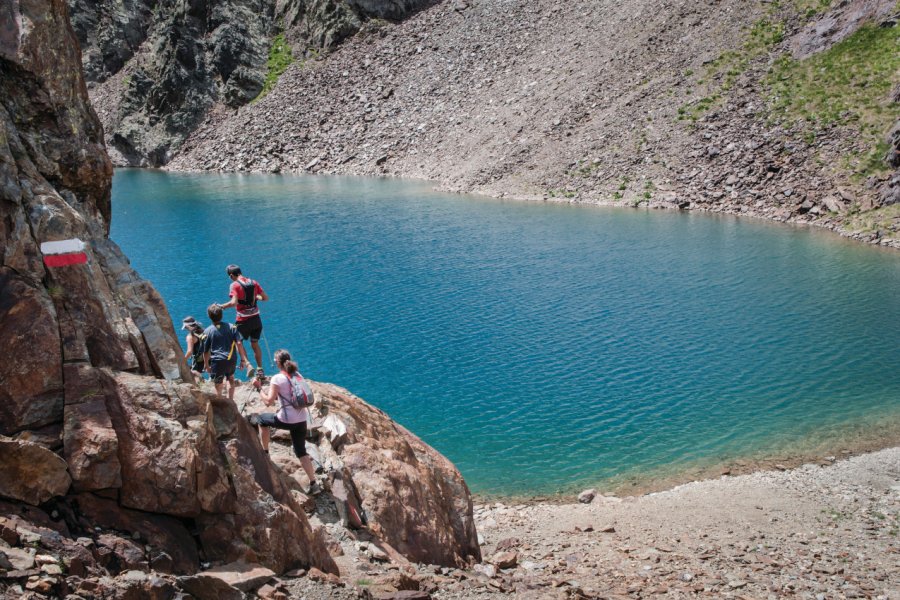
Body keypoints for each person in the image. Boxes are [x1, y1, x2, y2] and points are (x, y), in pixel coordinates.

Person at [253, 349, 321, 495]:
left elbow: (268, 402)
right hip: (302, 419)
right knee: (301, 451)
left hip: (286, 419)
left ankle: (265, 452)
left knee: (261, 420)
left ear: (278, 363)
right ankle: (314, 483)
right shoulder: (297, 375)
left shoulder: (277, 378)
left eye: (275, 361)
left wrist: (259, 388)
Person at [217, 264, 268, 376]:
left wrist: (221, 306)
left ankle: (248, 364)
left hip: (243, 321)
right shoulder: (254, 282)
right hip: (256, 320)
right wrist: (256, 298)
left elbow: (233, 302)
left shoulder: (234, 285)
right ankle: (260, 369)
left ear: (231, 275)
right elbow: (265, 298)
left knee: (237, 341)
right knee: (255, 344)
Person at [202, 303, 249, 402]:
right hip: (231, 359)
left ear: (209, 316)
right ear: (222, 315)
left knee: (218, 382)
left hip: (217, 362)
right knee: (230, 378)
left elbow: (206, 351)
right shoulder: (232, 327)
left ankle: (219, 399)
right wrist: (243, 360)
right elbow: (239, 343)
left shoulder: (207, 331)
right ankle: (231, 401)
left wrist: (206, 365)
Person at [181, 316, 206, 384]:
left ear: (188, 326)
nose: (185, 329)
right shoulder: (202, 331)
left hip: (198, 360)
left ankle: (201, 387)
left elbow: (189, 351)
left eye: (185, 327)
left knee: (195, 375)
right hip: (206, 357)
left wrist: (183, 361)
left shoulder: (190, 337)